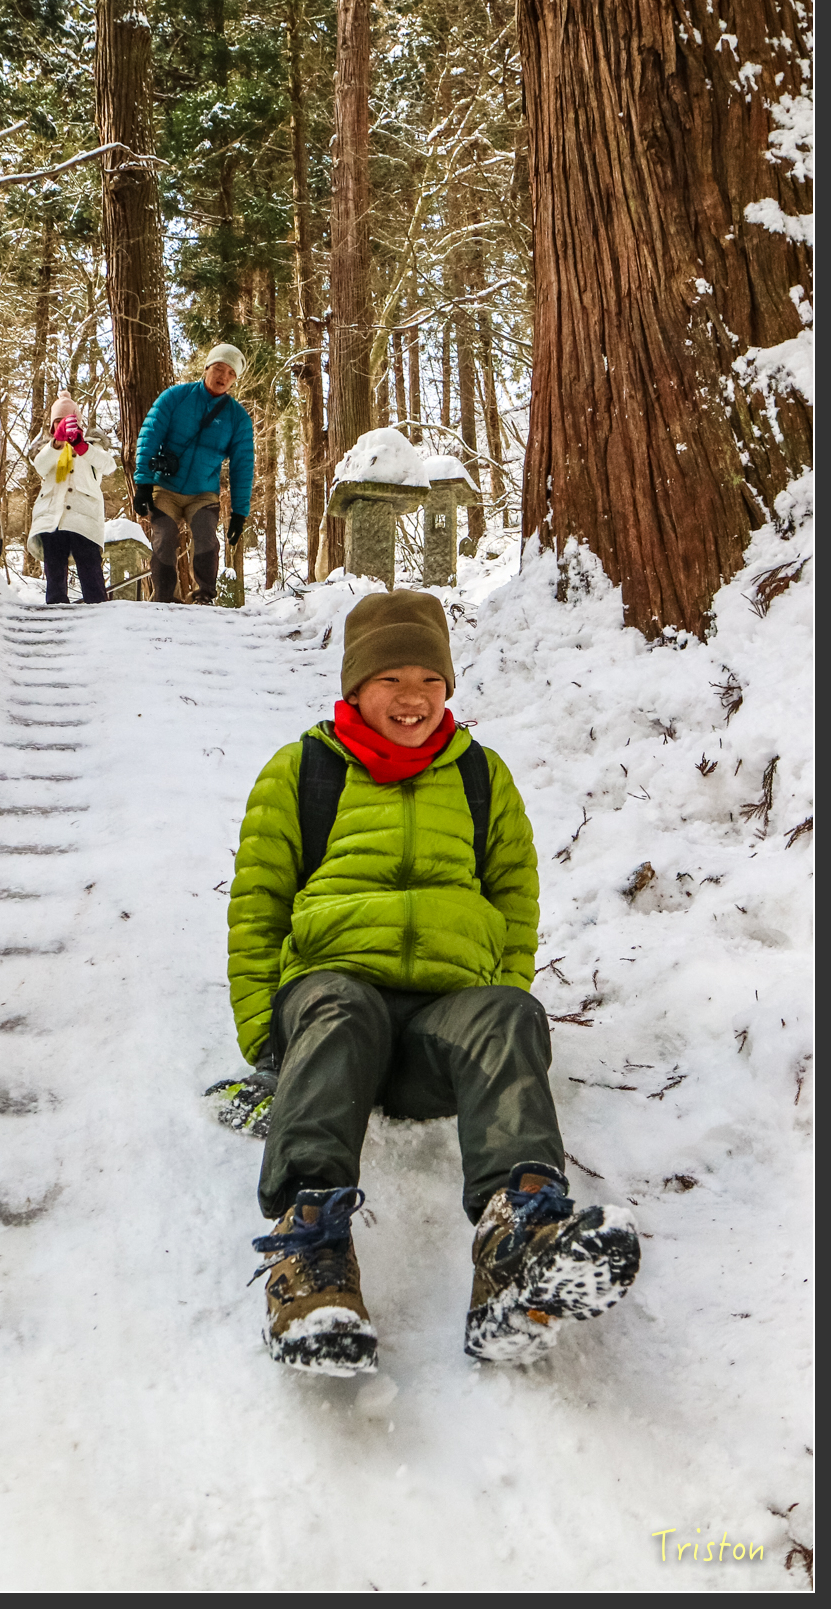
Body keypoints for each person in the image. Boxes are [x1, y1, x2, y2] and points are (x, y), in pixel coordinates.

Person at [222, 591, 640, 1374]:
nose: (411, 698)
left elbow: (513, 898)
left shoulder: (481, 777)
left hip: (437, 1028)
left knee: (509, 1011)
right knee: (340, 1005)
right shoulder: (301, 771)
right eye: (390, 678)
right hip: (334, 1009)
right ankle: (309, 1253)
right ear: (354, 687)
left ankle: (516, 1241)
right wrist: (264, 1039)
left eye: (428, 679)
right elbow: (257, 907)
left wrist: (496, 988)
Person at [133, 344, 254, 604]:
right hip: (165, 487)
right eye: (219, 368)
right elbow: (149, 436)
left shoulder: (237, 418)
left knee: (205, 535)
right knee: (165, 537)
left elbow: (243, 465)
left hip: (203, 492)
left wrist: (240, 512)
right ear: (207, 368)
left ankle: (204, 596)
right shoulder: (175, 397)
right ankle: (165, 597)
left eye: (231, 373)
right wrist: (143, 482)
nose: (223, 377)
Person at [27, 392, 117, 605]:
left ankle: (97, 608)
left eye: (68, 420)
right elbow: (40, 466)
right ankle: (56, 607)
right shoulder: (46, 450)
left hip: (83, 516)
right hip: (52, 516)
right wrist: (57, 444)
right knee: (54, 565)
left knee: (89, 564)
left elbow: (109, 466)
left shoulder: (93, 445)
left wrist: (82, 447)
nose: (63, 425)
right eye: (58, 421)